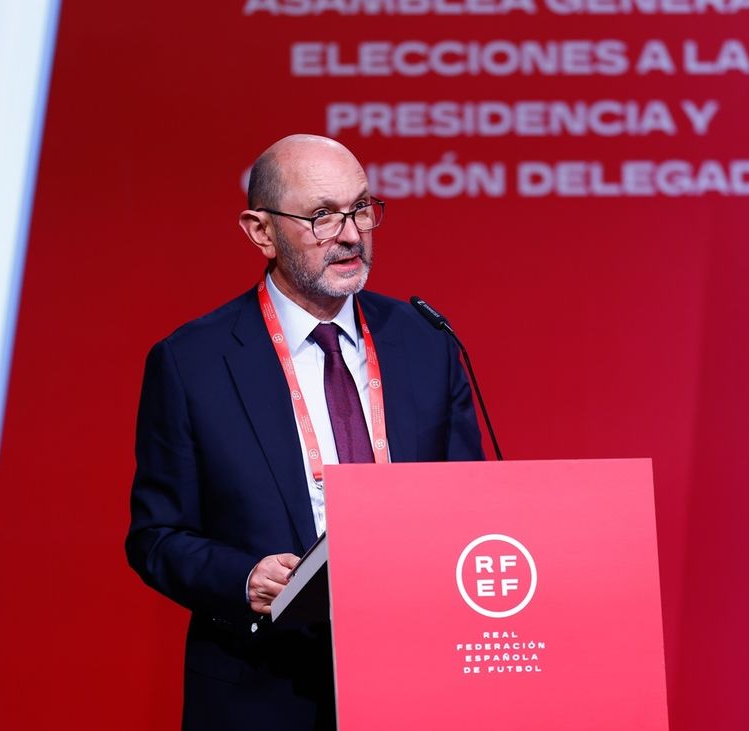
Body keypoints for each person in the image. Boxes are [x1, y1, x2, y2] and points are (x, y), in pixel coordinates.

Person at [125, 134, 483, 730]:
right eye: (321, 216)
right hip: (265, 686)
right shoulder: (194, 362)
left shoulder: (426, 342)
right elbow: (156, 536)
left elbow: (471, 504)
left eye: (361, 208)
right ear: (260, 231)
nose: (350, 234)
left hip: (417, 677)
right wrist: (242, 577)